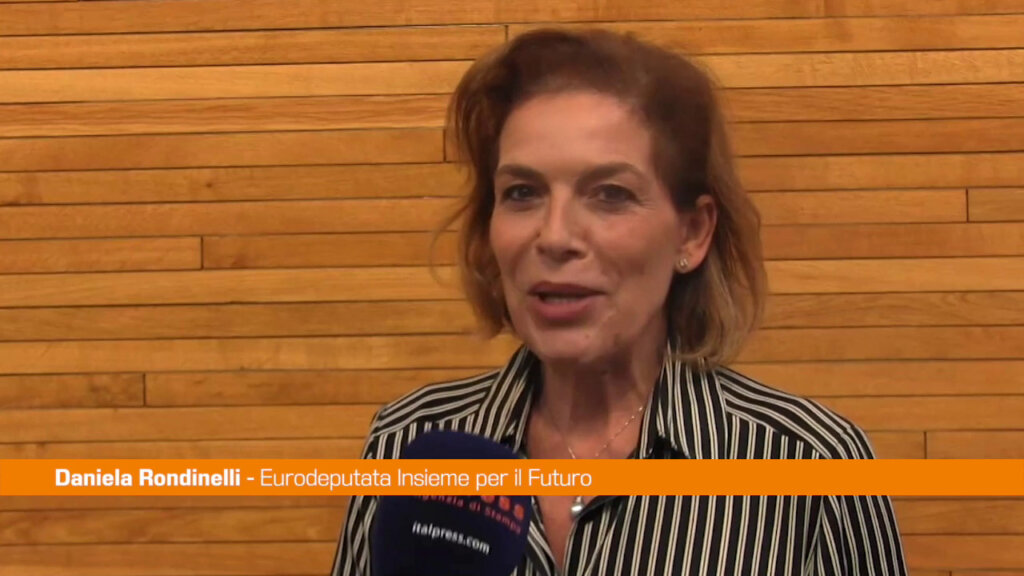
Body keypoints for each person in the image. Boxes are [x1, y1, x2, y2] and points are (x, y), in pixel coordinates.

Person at [331, 27, 908, 576]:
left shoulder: (809, 463)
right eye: (522, 192)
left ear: (692, 234)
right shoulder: (407, 442)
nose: (555, 236)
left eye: (610, 194)